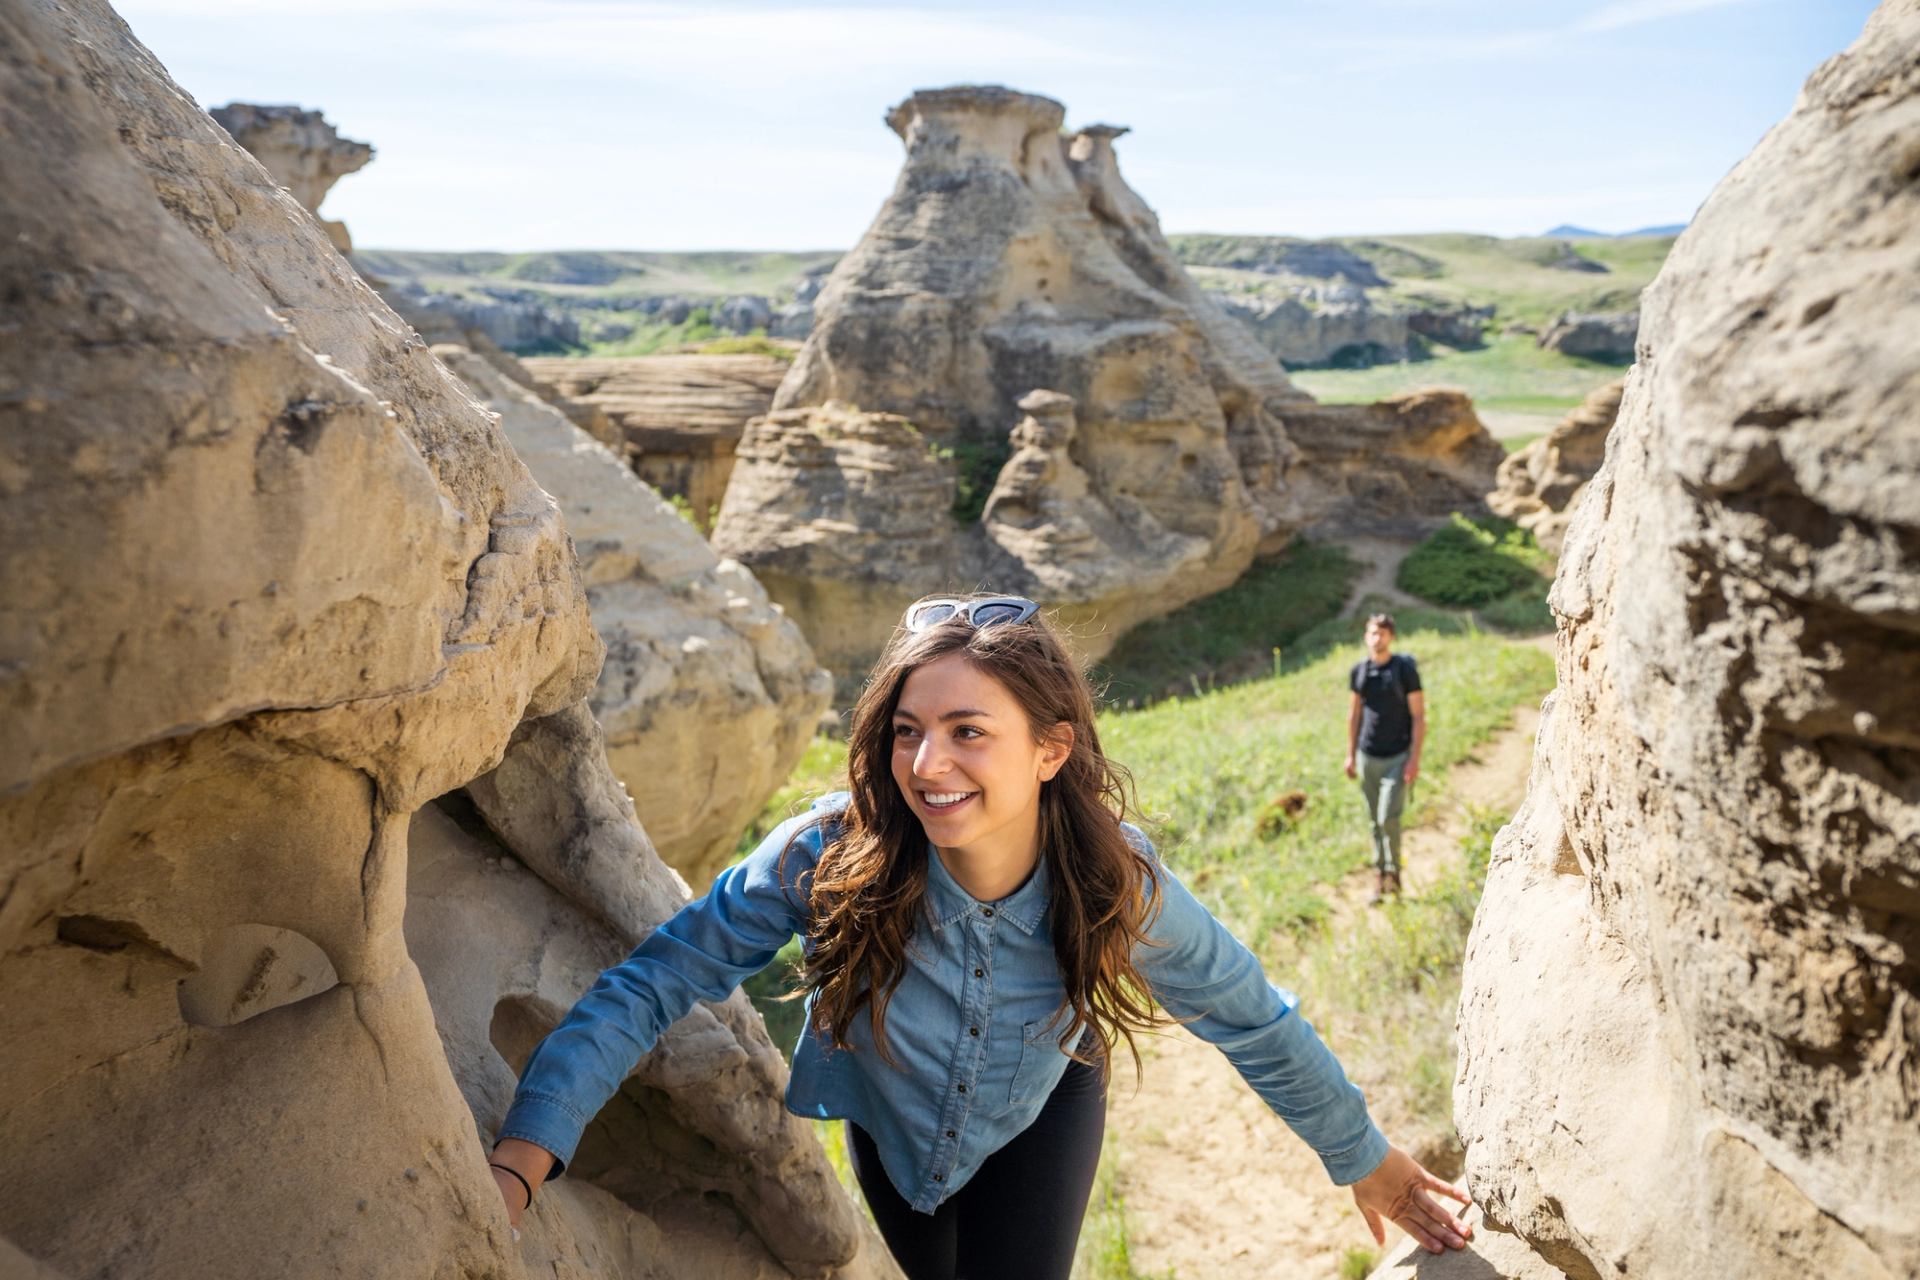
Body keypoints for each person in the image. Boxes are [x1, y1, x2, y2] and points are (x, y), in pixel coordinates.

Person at [487, 595, 1471, 1279]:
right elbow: (656, 979)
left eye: (968, 729)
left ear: (1052, 748)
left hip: (1042, 1104)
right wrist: (532, 1145)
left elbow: (1254, 1018)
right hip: (891, 1117)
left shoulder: (1114, 881)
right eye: (908, 729)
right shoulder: (826, 853)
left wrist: (1365, 1155)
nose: (926, 761)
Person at [1343, 613, 1426, 903]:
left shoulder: (1404, 670)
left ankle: (1394, 874)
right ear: (1366, 637)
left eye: (1382, 633)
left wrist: (1414, 759)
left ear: (1391, 637)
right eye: (1372, 633)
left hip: (1397, 757)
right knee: (1373, 821)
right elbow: (1354, 715)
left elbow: (1418, 716)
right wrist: (1350, 755)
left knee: (1387, 818)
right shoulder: (1360, 672)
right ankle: (1381, 877)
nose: (1377, 638)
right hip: (1368, 757)